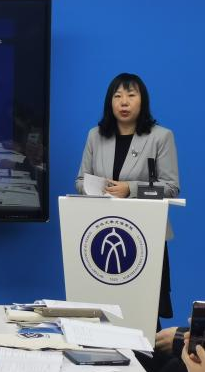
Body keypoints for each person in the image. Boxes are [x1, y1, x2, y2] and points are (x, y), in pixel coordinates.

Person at [75, 72, 180, 319]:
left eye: (131, 95)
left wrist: (130, 189)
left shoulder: (160, 137)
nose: (124, 102)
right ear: (109, 102)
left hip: (144, 237)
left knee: (144, 314)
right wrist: (97, 188)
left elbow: (171, 187)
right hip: (100, 232)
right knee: (103, 312)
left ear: (142, 101)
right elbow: (80, 181)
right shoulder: (95, 136)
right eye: (118, 96)